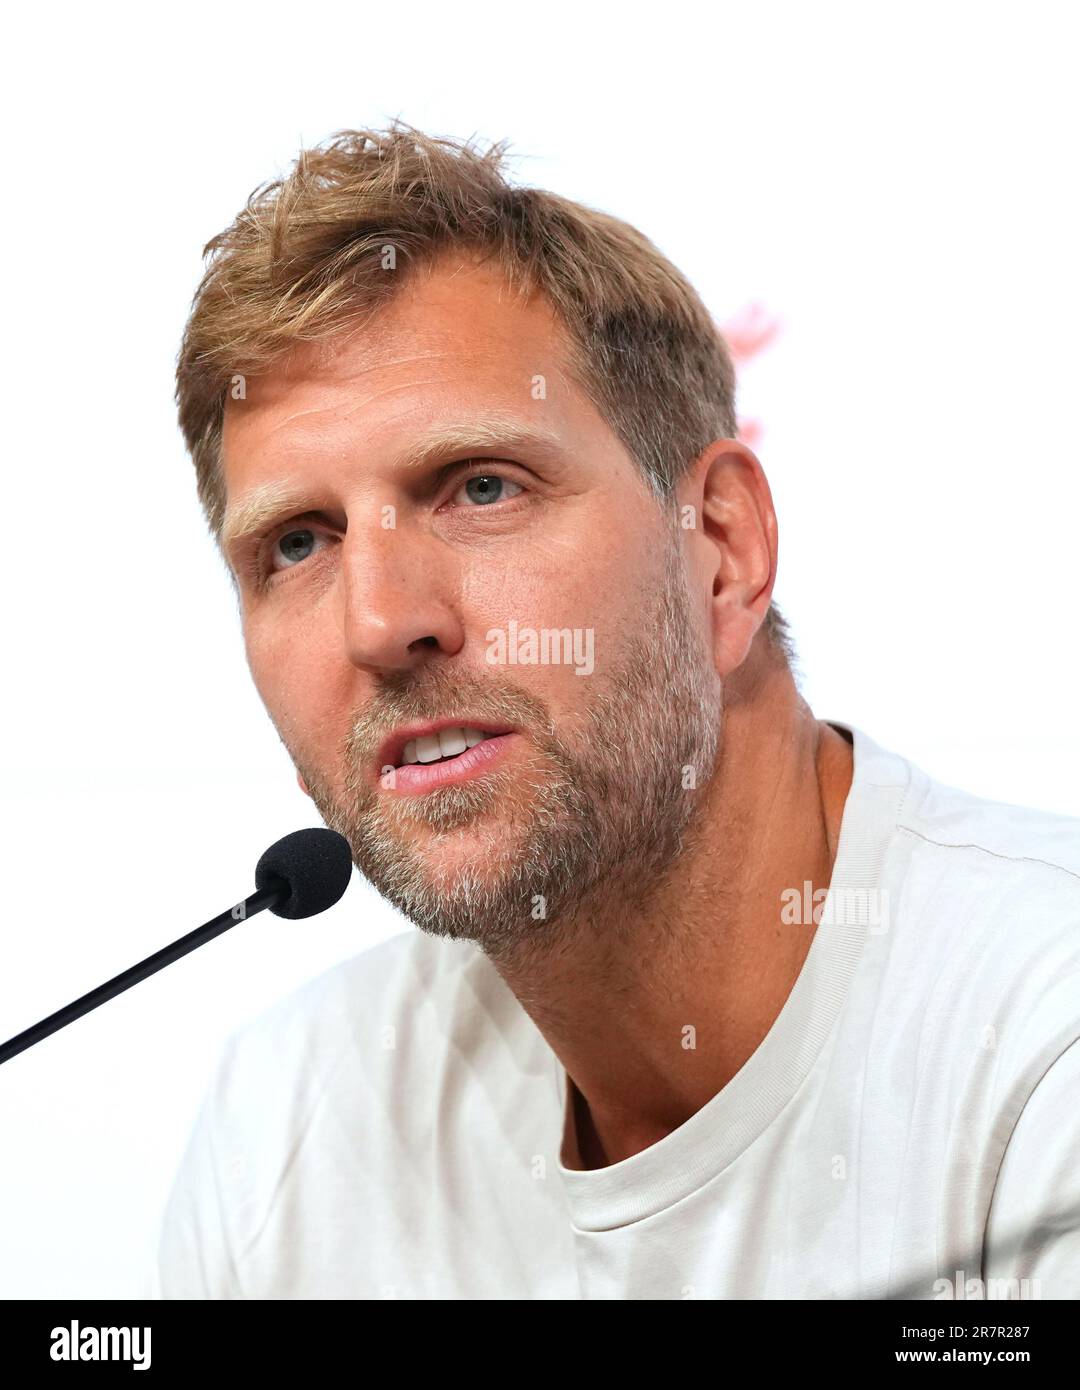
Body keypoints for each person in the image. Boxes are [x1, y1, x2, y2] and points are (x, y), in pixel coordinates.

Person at [147, 122, 1080, 1299]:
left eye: (481, 486)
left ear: (724, 552)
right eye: (297, 543)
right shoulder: (284, 1131)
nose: (379, 622)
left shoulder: (1044, 1049)